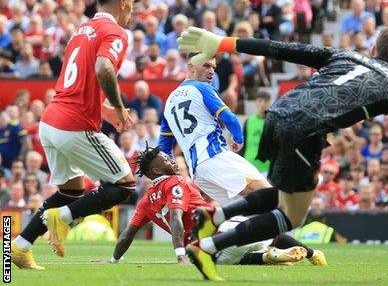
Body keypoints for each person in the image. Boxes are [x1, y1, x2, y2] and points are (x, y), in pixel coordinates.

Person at [176, 24, 388, 280]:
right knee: (292, 216)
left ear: (373, 50)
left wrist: (223, 43)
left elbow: (281, 48)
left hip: (278, 113)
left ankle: (215, 217)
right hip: (305, 131)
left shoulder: (344, 55)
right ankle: (208, 247)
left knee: (284, 194)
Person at [11, 0, 140, 270]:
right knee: (125, 185)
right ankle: (63, 217)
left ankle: (18, 247)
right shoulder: (116, 32)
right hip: (73, 125)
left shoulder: (82, 29)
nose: (131, 14)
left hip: (51, 121)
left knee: (71, 191)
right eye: (131, 7)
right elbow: (103, 68)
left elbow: (80, 82)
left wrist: (104, 108)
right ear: (123, 3)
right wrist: (119, 107)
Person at [111, 145, 319, 268]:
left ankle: (267, 256)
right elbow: (175, 219)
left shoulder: (145, 201)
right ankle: (312, 254)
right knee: (266, 229)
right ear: (156, 169)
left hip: (204, 252)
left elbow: (127, 235)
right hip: (222, 232)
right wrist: (179, 255)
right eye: (166, 159)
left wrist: (113, 260)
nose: (172, 159)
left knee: (228, 258)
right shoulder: (176, 182)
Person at [158, 54, 270, 205]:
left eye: (213, 67)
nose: (211, 71)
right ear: (190, 67)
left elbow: (164, 148)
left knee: (246, 210)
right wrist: (238, 139)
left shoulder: (169, 101)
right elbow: (230, 119)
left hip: (198, 173)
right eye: (206, 66)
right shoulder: (202, 88)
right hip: (214, 155)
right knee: (270, 194)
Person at [242, 91, 272, 175]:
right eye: (260, 101)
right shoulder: (249, 121)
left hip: (266, 168)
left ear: (269, 102)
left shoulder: (272, 122)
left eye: (265, 101)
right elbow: (243, 144)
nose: (262, 104)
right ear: (256, 102)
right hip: (249, 166)